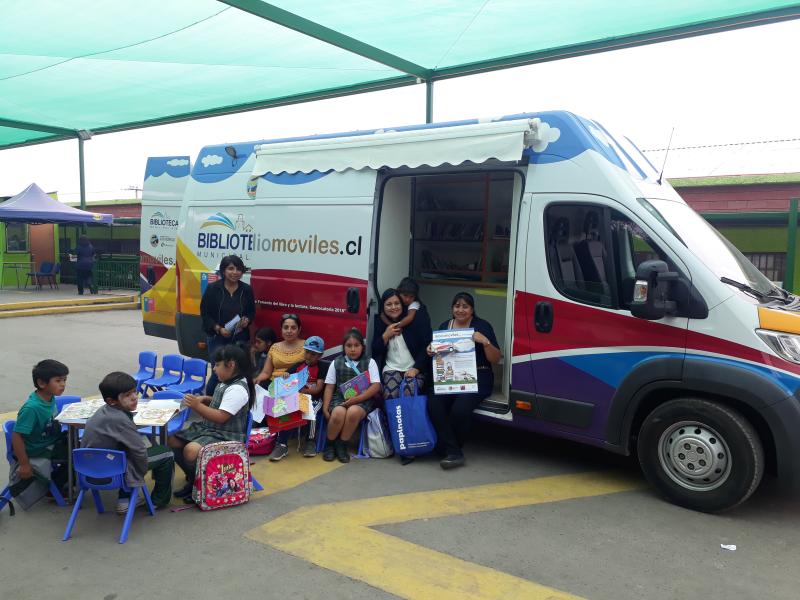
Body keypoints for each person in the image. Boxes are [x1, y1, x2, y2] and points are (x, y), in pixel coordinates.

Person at [168, 344, 254, 501]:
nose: (214, 368)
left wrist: (197, 406)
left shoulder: (237, 389)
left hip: (227, 436)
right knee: (172, 439)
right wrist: (206, 399)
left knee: (190, 450)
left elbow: (221, 416)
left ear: (231, 365)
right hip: (211, 430)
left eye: (217, 364)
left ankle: (202, 486)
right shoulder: (226, 381)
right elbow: (221, 403)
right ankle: (194, 480)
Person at [427, 292, 502, 470]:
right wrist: (431, 350)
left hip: (478, 377)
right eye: (457, 306)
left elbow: (496, 359)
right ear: (452, 308)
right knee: (434, 404)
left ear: (472, 309)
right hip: (450, 377)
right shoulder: (445, 326)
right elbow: (439, 355)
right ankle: (453, 451)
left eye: (465, 306)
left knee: (460, 409)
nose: (460, 310)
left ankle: (447, 448)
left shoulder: (482, 326)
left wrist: (485, 342)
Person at [82, 372, 174, 513]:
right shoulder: (121, 420)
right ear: (112, 401)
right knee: (166, 453)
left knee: (125, 451)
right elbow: (139, 451)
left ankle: (124, 500)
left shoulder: (103, 411)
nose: (134, 397)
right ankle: (158, 500)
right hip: (113, 468)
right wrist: (139, 474)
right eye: (127, 395)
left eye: (134, 392)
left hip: (89, 468)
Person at [371, 288, 431, 464]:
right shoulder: (380, 322)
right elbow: (375, 350)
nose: (393, 307)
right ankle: (399, 441)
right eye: (389, 304)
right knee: (390, 396)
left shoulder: (414, 321)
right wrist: (385, 335)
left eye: (397, 303)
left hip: (414, 368)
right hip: (391, 368)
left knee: (408, 394)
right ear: (383, 306)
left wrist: (417, 368)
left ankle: (411, 443)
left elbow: (426, 346)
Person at [9, 360, 70, 506]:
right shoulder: (32, 408)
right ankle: (55, 486)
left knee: (80, 445)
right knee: (79, 455)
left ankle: (55, 481)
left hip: (49, 441)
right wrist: (24, 464)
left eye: (64, 380)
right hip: (38, 450)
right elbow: (17, 436)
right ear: (42, 383)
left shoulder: (49, 398)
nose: (63, 384)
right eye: (58, 380)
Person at [322, 329, 381, 463]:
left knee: (353, 412)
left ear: (362, 347)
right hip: (340, 398)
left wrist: (357, 399)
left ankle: (342, 445)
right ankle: (330, 445)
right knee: (338, 413)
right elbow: (330, 386)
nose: (353, 349)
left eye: (356, 345)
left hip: (362, 399)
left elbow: (376, 386)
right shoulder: (336, 362)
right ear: (344, 347)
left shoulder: (370, 362)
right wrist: (325, 408)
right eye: (349, 346)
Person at [200, 254, 256, 394]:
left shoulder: (246, 290)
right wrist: (218, 328)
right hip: (217, 338)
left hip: (240, 337)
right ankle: (211, 401)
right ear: (223, 271)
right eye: (231, 268)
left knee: (239, 371)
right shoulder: (213, 289)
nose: (235, 272)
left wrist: (246, 320)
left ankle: (235, 400)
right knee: (219, 371)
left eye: (238, 269)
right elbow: (205, 314)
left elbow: (251, 312)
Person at [267, 335, 328, 461]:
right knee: (283, 407)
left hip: (314, 399)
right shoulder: (298, 365)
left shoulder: (321, 367)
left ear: (320, 356)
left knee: (312, 411)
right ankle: (282, 444)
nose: (309, 356)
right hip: (298, 397)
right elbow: (288, 378)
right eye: (307, 352)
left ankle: (310, 441)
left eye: (313, 354)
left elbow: (318, 388)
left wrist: (305, 390)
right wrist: (286, 375)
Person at [254, 313, 305, 386]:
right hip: (273, 385)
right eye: (286, 327)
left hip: (295, 386)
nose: (289, 331)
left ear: (299, 330)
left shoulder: (306, 346)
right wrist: (257, 379)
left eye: (293, 328)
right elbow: (266, 373)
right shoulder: (275, 347)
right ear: (281, 329)